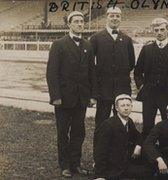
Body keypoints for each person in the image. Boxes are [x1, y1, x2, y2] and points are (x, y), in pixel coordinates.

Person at [46, 11, 97, 178]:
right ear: (69, 24)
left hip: (81, 99)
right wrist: (56, 97)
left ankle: (76, 164)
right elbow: (52, 73)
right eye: (76, 21)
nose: (80, 24)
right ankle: (64, 165)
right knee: (63, 132)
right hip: (63, 99)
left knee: (78, 132)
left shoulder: (88, 45)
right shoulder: (59, 44)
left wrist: (91, 96)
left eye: (82, 21)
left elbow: (91, 72)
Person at [134, 18, 168, 137]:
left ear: (167, 30)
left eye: (162, 29)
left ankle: (167, 152)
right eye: (156, 30)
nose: (159, 32)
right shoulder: (146, 49)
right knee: (147, 125)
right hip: (149, 93)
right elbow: (137, 71)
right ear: (153, 31)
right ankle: (148, 153)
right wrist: (142, 86)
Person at [90, 6, 135, 130]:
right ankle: (99, 149)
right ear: (106, 17)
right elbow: (90, 64)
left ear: (121, 18)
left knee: (122, 123)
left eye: (117, 16)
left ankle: (120, 149)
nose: (115, 18)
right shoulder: (96, 38)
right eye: (112, 15)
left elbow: (131, 63)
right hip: (103, 89)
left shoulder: (127, 39)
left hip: (122, 88)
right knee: (101, 122)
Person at [93, 94, 152, 180]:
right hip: (111, 167)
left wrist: (138, 146)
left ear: (131, 107)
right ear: (117, 108)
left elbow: (138, 136)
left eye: (128, 105)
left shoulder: (129, 122)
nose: (126, 108)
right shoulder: (108, 125)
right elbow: (100, 150)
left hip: (125, 163)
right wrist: (100, 175)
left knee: (149, 171)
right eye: (122, 105)